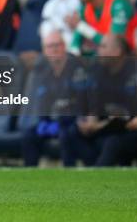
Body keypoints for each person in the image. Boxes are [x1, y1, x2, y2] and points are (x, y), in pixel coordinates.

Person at [60, 34, 137, 166]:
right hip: (108, 128)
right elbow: (91, 103)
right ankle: (72, 179)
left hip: (130, 130)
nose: (98, 51)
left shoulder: (134, 72)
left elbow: (131, 120)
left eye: (103, 47)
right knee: (70, 134)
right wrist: (88, 120)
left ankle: (95, 180)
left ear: (117, 51)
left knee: (112, 142)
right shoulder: (98, 70)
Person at [21, 30, 91, 167]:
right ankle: (28, 178)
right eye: (50, 46)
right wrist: (44, 121)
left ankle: (68, 176)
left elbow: (82, 102)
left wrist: (64, 120)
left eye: (57, 45)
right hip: (52, 122)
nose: (54, 49)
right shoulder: (42, 71)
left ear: (64, 46)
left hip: (72, 121)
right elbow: (42, 102)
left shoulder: (77, 67)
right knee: (28, 136)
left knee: (66, 134)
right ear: (44, 51)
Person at [68, 0, 133, 56]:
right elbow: (76, 40)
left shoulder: (118, 4)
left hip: (129, 56)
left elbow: (113, 45)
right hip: (103, 55)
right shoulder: (85, 8)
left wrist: (82, 27)